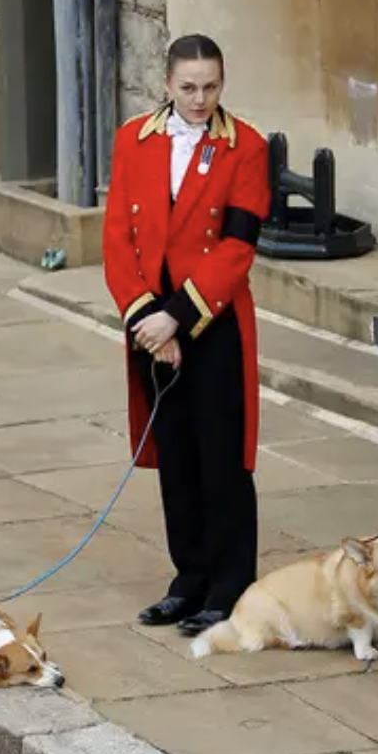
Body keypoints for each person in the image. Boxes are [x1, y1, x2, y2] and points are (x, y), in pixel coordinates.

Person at [100, 34, 270, 638]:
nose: (201, 100)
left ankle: (230, 587)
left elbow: (238, 246)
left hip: (213, 322)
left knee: (221, 459)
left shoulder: (245, 147)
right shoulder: (132, 141)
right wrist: (148, 320)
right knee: (175, 455)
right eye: (190, 87)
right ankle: (189, 578)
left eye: (212, 86)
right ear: (167, 84)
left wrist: (179, 316)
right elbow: (118, 237)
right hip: (152, 327)